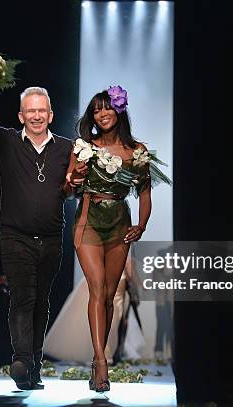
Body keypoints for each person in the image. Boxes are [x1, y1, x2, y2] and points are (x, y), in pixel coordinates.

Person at [0, 72, 72, 390]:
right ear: (21, 115)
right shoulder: (7, 140)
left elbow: (79, 184)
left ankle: (32, 368)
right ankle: (22, 361)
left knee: (41, 302)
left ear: (50, 115)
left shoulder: (66, 149)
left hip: (52, 239)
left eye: (42, 111)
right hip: (14, 236)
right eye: (30, 111)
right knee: (23, 295)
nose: (36, 116)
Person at [65, 86, 170, 392]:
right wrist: (76, 179)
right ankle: (100, 361)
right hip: (89, 221)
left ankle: (101, 354)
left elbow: (146, 194)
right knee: (96, 289)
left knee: (109, 295)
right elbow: (67, 189)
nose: (102, 113)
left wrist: (142, 225)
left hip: (119, 224)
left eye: (107, 107)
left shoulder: (137, 151)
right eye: (96, 109)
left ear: (119, 110)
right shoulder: (84, 147)